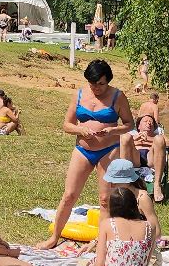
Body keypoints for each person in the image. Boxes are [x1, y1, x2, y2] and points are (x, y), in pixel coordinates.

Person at [44, 59, 134, 246]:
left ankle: (101, 243)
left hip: (108, 150)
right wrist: (80, 130)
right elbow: (66, 125)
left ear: (107, 80)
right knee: (69, 195)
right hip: (83, 150)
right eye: (92, 84)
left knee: (104, 199)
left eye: (100, 84)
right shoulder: (79, 94)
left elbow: (129, 124)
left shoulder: (118, 96)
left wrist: (113, 130)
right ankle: (54, 237)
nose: (96, 88)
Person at [79, 184, 169, 266]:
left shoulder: (107, 224)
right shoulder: (150, 227)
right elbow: (145, 263)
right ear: (134, 204)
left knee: (90, 264)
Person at [117, 111, 169, 202]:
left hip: (151, 160)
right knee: (125, 137)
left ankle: (157, 184)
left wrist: (151, 141)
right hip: (134, 159)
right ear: (139, 126)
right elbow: (116, 145)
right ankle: (124, 183)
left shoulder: (157, 136)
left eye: (151, 122)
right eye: (146, 121)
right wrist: (134, 140)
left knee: (159, 139)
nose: (149, 123)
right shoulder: (133, 136)